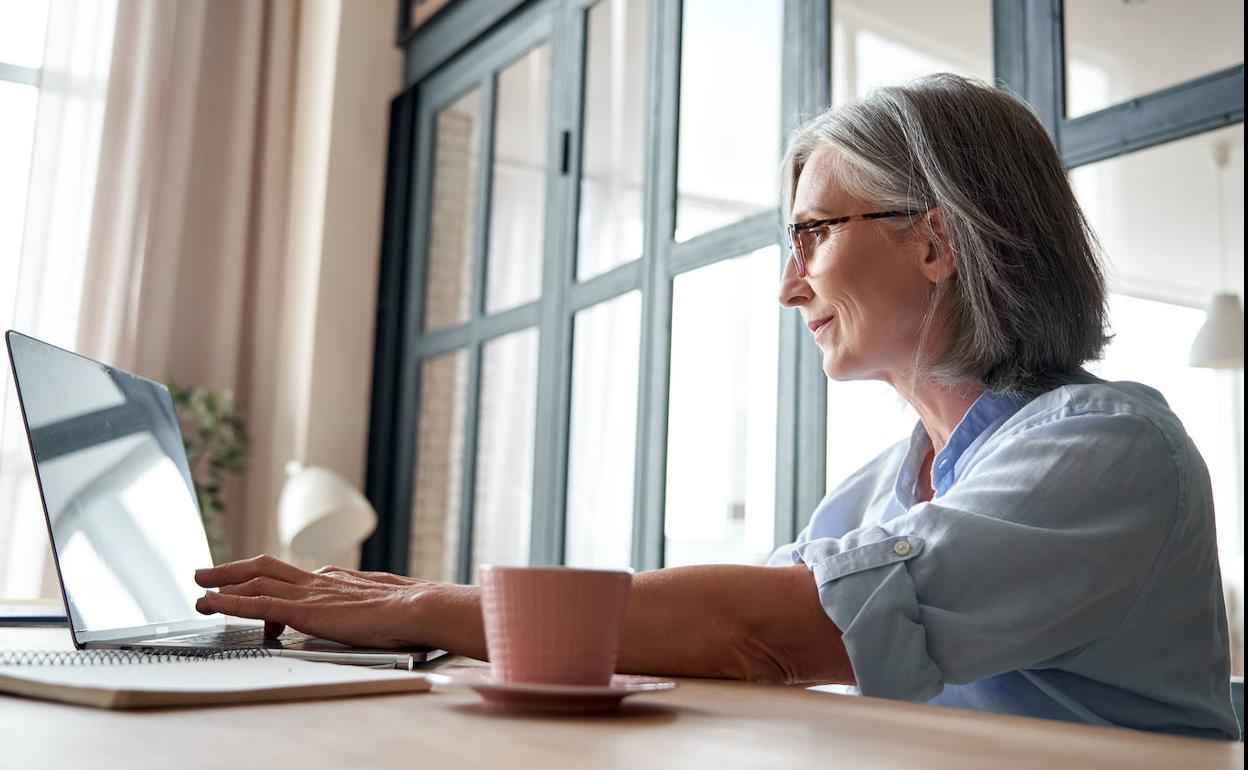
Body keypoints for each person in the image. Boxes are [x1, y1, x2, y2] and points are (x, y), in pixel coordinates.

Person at [195, 74, 1238, 739]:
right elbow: (716, 621)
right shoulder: (884, 487)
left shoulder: (1111, 449)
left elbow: (769, 633)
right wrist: (414, 608)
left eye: (812, 234)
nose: (790, 288)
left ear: (935, 240)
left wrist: (420, 607)